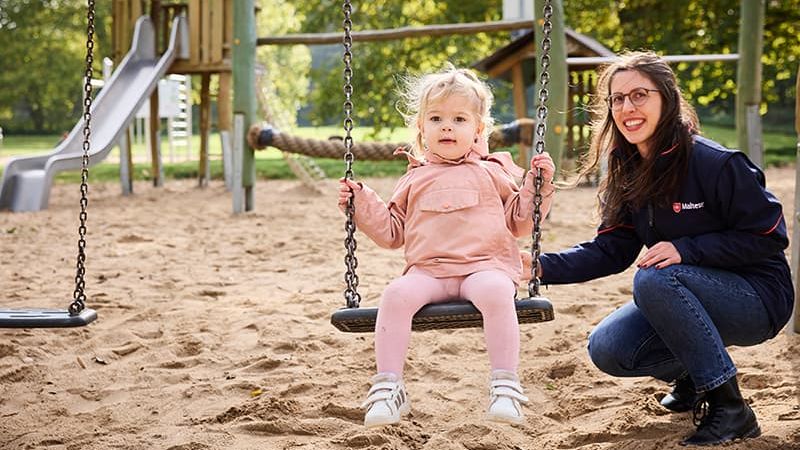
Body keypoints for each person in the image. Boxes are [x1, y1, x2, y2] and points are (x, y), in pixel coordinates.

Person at [536, 51, 793, 446]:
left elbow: (770, 235)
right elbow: (613, 250)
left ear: (667, 98)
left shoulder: (715, 163)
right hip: (689, 288)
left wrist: (687, 249)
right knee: (610, 348)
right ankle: (692, 376)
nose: (627, 107)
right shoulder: (628, 168)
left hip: (758, 296)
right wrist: (539, 266)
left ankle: (730, 408)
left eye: (640, 95)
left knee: (654, 279)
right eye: (617, 99)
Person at [337, 64, 556, 428]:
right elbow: (392, 233)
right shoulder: (414, 178)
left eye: (459, 119)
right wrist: (361, 203)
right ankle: (389, 387)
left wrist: (538, 186)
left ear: (478, 130)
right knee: (395, 295)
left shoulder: (492, 171)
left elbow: (520, 221)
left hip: (483, 266)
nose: (447, 127)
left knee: (495, 291)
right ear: (422, 128)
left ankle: (505, 385)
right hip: (429, 272)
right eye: (436, 118)